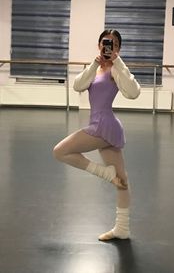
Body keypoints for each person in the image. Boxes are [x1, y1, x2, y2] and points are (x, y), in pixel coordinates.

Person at [53, 29, 141, 241]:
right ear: (99, 45)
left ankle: (105, 174)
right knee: (122, 180)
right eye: (105, 43)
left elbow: (134, 92)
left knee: (60, 151)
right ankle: (122, 228)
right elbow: (78, 86)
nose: (108, 47)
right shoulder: (95, 68)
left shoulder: (116, 71)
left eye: (113, 44)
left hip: (103, 126)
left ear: (118, 49)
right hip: (105, 126)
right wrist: (94, 63)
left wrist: (118, 62)